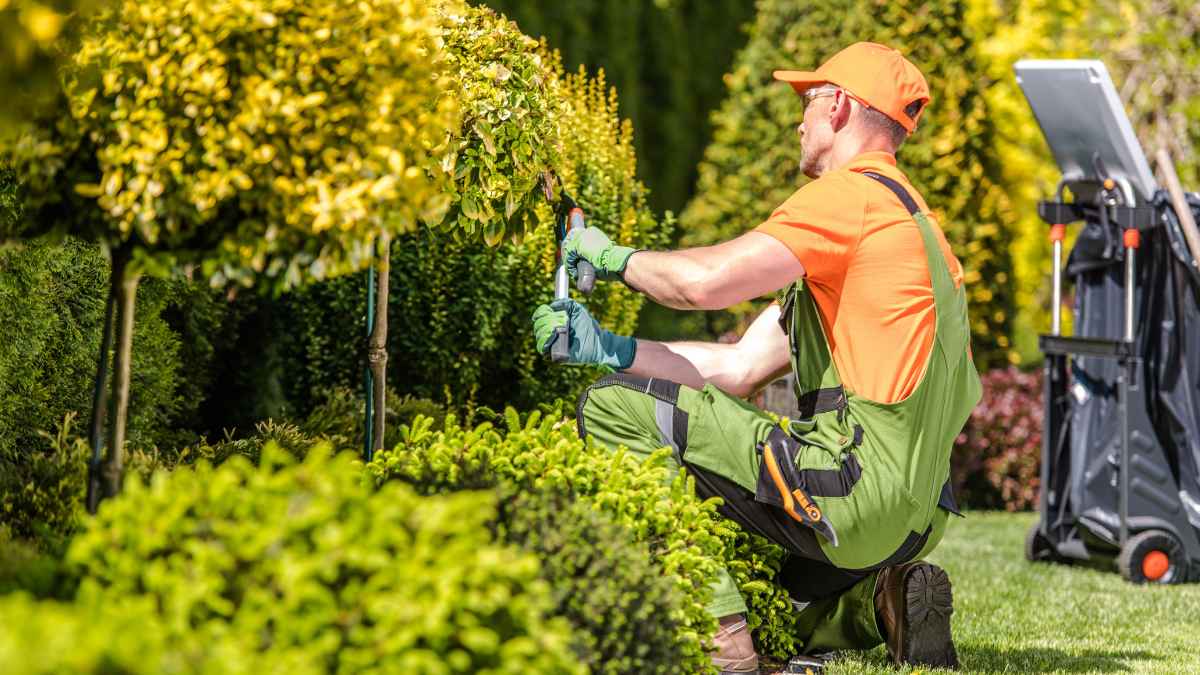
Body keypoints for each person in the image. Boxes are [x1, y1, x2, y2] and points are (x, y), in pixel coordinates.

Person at [531, 42, 981, 673]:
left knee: (611, 409)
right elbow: (739, 367)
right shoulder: (914, 228)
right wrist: (607, 347)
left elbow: (703, 284)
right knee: (777, 593)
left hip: (852, 490)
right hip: (916, 516)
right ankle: (883, 602)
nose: (799, 120)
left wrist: (613, 259)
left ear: (842, 107)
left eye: (808, 101)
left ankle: (721, 641)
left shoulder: (850, 198)